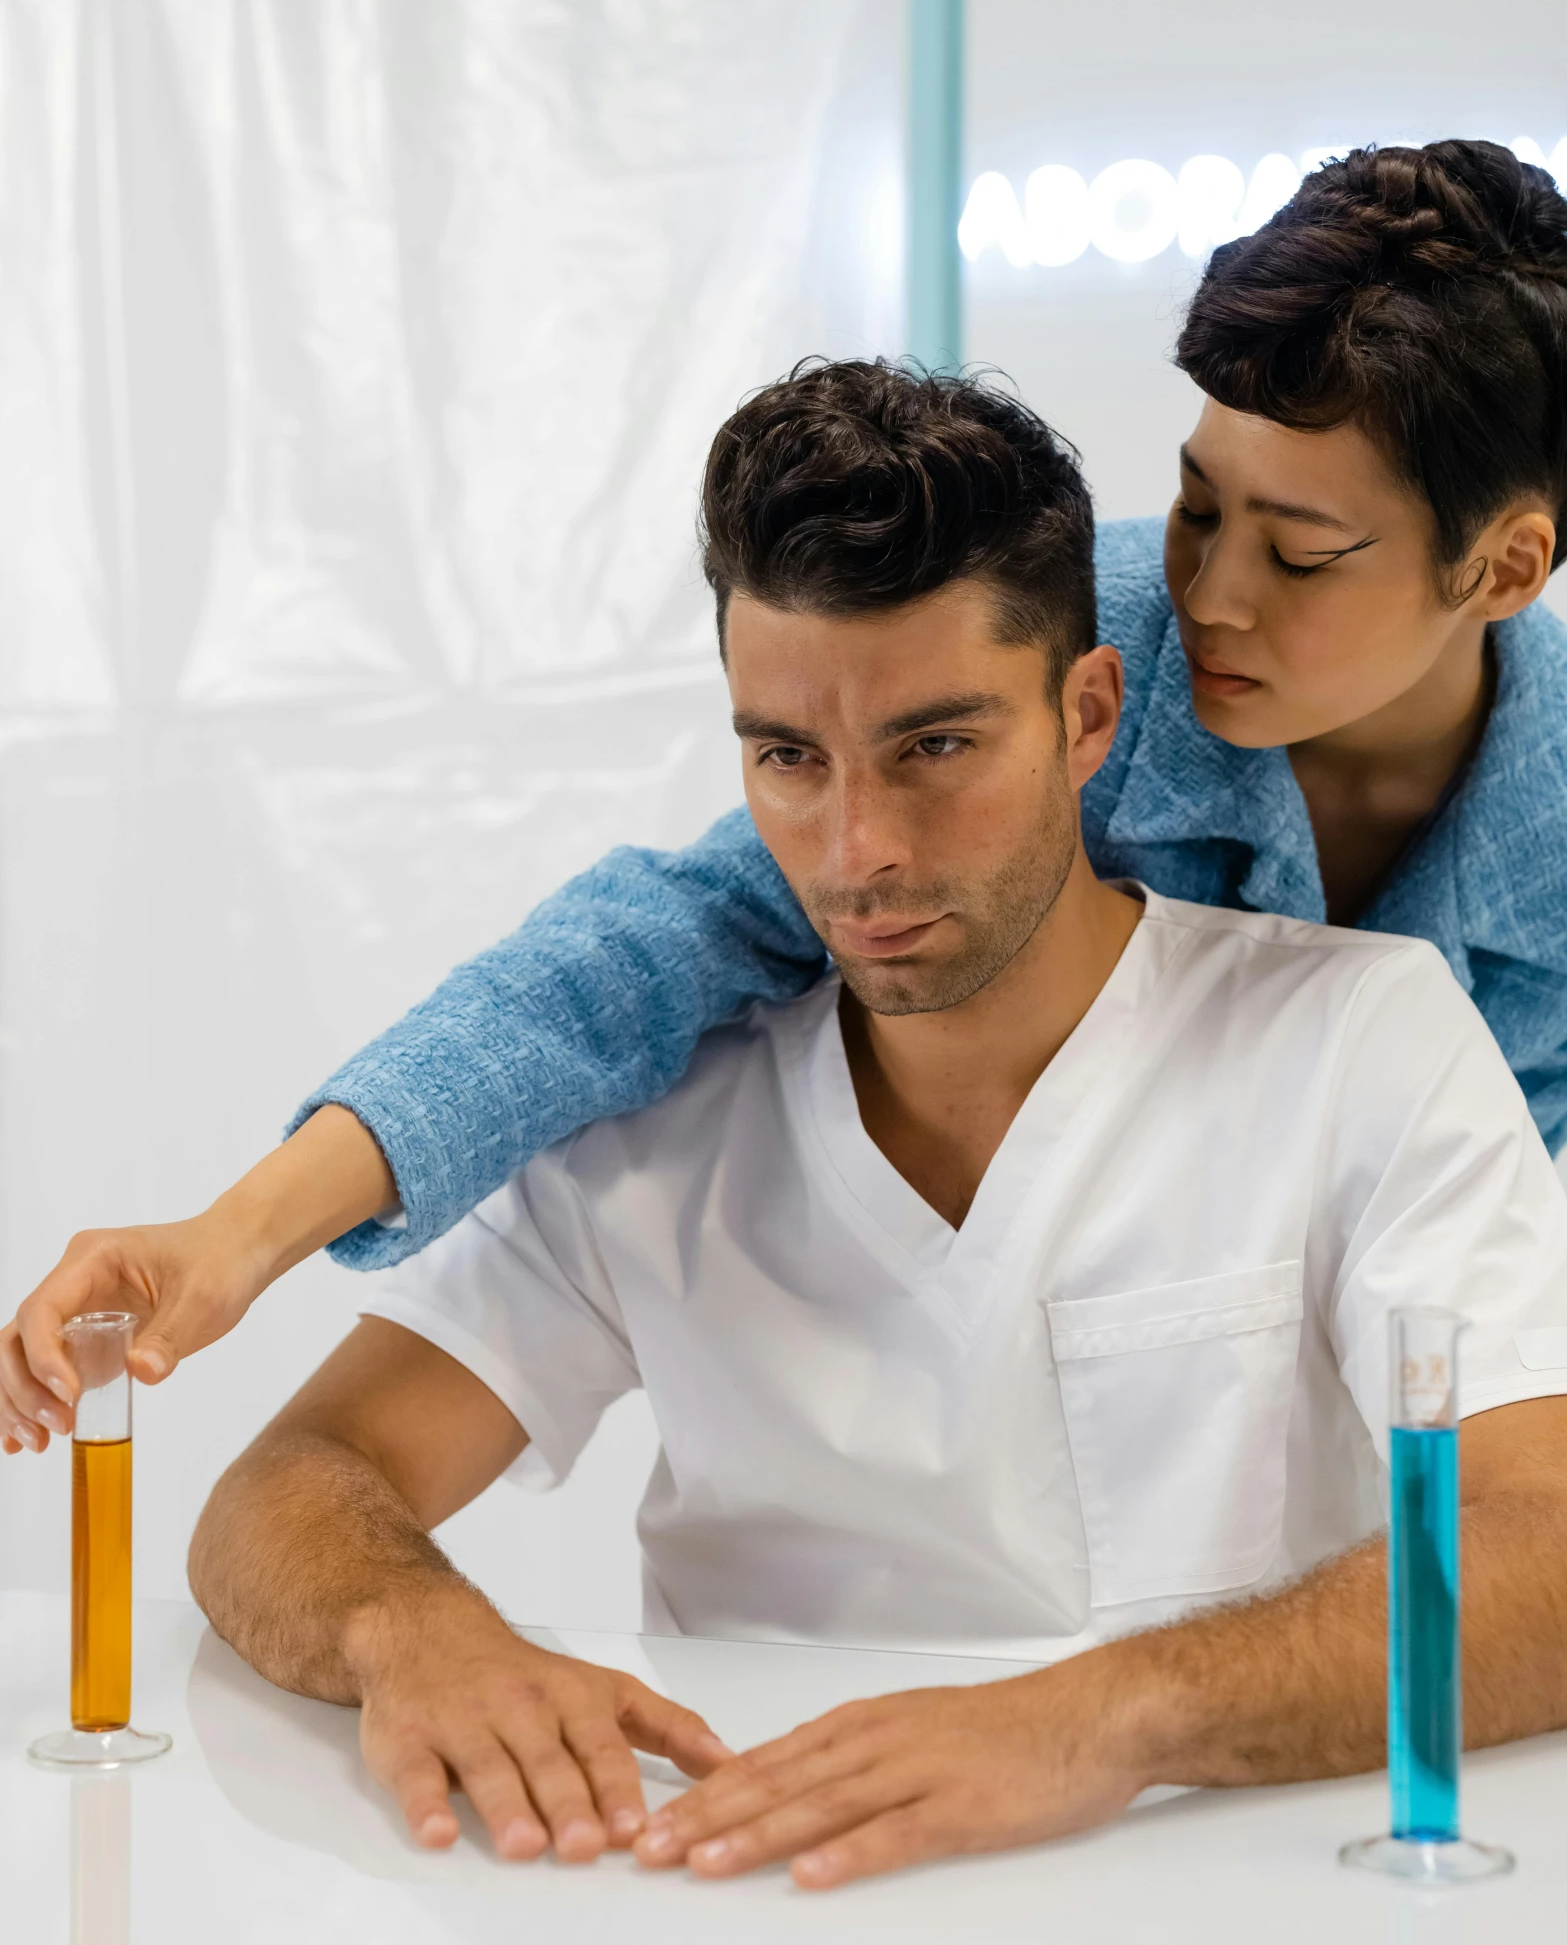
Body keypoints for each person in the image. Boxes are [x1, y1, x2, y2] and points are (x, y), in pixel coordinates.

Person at [187, 360, 1567, 1890]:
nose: (858, 853)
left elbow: (1545, 1555)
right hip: (747, 1887)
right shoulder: (665, 1114)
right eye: (787, 755)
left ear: (1087, 712)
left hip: (1218, 1887)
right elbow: (288, 1486)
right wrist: (415, 1630)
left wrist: (1097, 1718)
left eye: (934, 746)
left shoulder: (1361, 1039)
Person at [5, 137, 1567, 1444]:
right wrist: (246, 1228)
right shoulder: (1068, 653)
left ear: (1501, 566)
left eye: (1298, 553)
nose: (1208, 591)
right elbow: (643, 951)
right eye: (1196, 502)